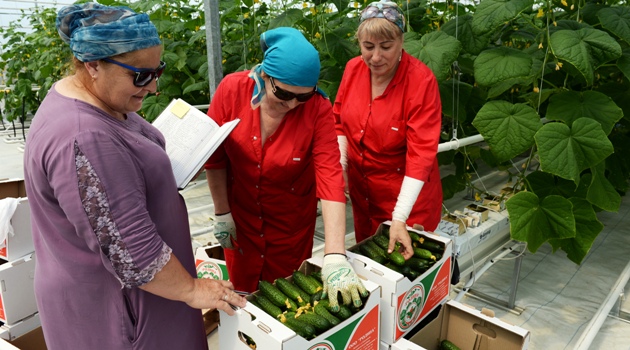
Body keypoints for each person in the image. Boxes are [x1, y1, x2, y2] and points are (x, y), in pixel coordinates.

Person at [22, 3, 245, 349]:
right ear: (93, 64)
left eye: (158, 71)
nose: (154, 87)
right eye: (140, 76)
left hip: (125, 294)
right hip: (122, 309)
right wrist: (191, 289)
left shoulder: (95, 99)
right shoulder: (86, 137)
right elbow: (133, 253)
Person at [204, 27, 368, 311]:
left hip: (289, 226)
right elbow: (215, 158)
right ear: (264, 75)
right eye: (283, 94)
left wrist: (335, 255)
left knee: (290, 305)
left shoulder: (317, 108)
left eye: (302, 97)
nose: (292, 104)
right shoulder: (232, 91)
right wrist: (222, 213)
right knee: (243, 301)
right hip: (241, 220)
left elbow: (329, 176)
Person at [333, 1, 443, 259]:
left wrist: (400, 217)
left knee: (409, 266)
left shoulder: (421, 81)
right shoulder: (353, 69)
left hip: (407, 202)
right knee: (372, 263)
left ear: (402, 41)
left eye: (386, 47)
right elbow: (339, 120)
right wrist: (342, 169)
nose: (376, 57)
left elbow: (420, 156)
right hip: (365, 197)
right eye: (368, 47)